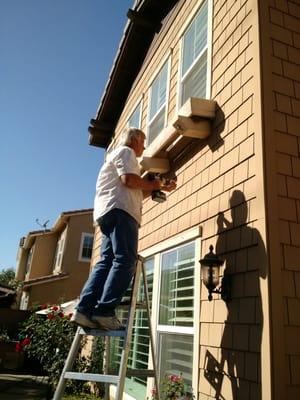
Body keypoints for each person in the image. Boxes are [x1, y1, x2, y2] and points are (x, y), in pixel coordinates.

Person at [71, 127, 176, 330]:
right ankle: (104, 311)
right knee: (126, 259)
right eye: (143, 141)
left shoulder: (117, 159)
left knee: (107, 261)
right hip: (121, 212)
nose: (144, 146)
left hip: (109, 212)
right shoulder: (126, 152)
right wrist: (153, 185)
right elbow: (128, 180)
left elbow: (133, 189)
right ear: (134, 139)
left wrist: (158, 187)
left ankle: (83, 310)